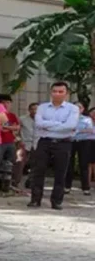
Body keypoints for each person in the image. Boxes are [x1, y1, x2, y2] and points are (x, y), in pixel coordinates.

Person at [29, 82, 79, 210]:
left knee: (60, 172)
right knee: (38, 171)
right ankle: (35, 199)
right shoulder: (42, 107)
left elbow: (70, 126)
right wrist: (60, 125)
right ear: (50, 92)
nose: (57, 94)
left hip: (63, 143)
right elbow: (39, 123)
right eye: (54, 91)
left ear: (66, 94)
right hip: (44, 142)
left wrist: (49, 125)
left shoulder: (73, 109)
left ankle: (56, 201)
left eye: (60, 92)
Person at [0, 92, 20, 194]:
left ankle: (7, 185)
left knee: (10, 163)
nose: (6, 104)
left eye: (8, 102)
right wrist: (10, 127)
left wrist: (6, 127)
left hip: (10, 142)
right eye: (3, 102)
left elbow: (17, 127)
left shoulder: (12, 115)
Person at [66, 102, 93, 196]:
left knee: (84, 164)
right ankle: (67, 187)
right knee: (69, 164)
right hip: (70, 141)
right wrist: (81, 131)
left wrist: (77, 131)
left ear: (82, 109)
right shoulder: (67, 118)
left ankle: (85, 188)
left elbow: (90, 130)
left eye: (80, 107)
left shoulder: (87, 119)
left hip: (83, 142)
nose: (77, 109)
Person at [15, 102, 38, 190]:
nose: (34, 111)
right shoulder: (22, 119)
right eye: (32, 109)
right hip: (24, 143)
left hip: (37, 144)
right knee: (20, 163)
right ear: (29, 110)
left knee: (35, 165)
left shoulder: (43, 120)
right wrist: (18, 140)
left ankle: (31, 182)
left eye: (36, 109)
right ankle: (16, 182)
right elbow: (16, 131)